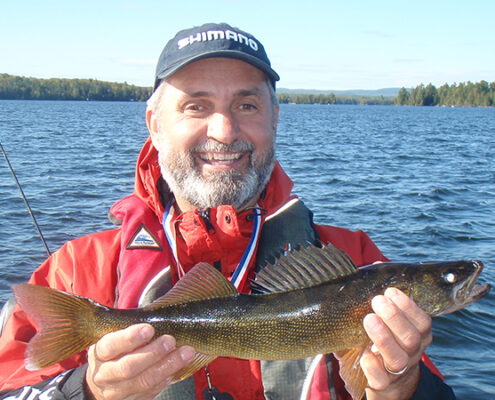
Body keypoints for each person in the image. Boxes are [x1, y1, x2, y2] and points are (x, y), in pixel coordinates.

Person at [0, 22, 455, 400]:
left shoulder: (356, 259)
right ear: (155, 125)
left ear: (275, 119)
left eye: (247, 104)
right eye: (196, 105)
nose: (224, 129)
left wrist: (405, 386)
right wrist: (85, 389)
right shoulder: (74, 272)